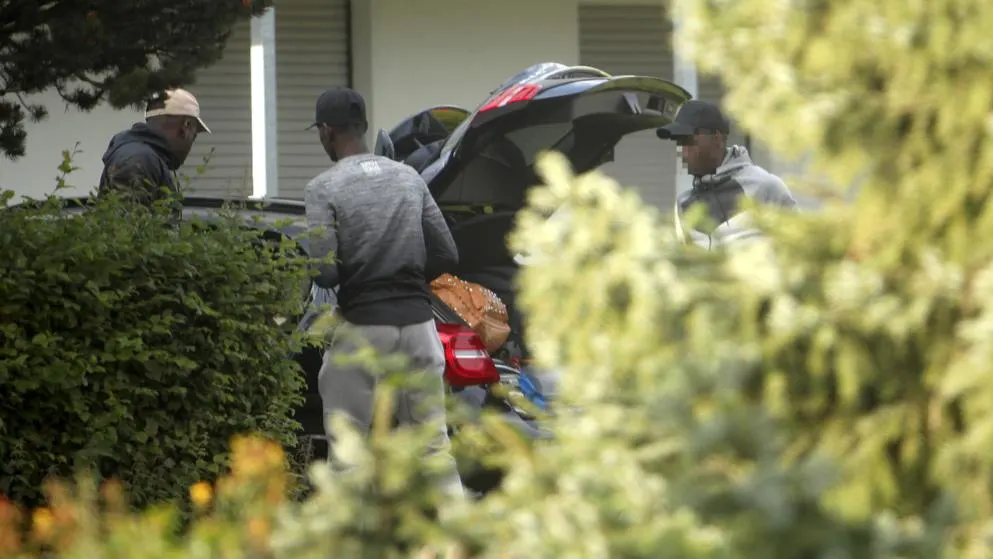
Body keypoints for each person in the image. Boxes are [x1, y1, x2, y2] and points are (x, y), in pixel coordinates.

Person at [303, 86, 463, 499]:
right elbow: (447, 252)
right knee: (433, 447)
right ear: (363, 127)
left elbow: (323, 273)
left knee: (348, 453)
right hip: (419, 327)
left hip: (364, 328)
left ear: (326, 131)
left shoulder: (323, 188)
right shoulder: (408, 176)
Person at [657, 100, 796, 249]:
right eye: (680, 143)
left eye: (689, 141)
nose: (683, 151)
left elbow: (799, 247)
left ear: (716, 138)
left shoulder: (767, 187)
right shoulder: (683, 204)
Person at [99, 88, 210, 207]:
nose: (190, 145)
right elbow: (127, 221)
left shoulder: (148, 158)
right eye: (194, 136)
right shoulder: (139, 160)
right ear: (185, 126)